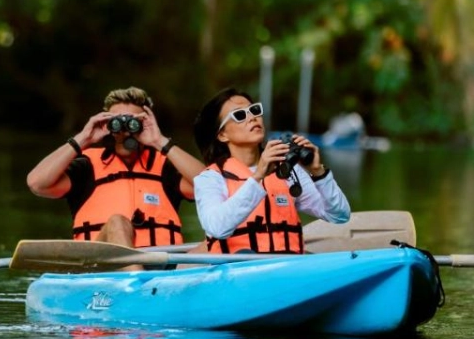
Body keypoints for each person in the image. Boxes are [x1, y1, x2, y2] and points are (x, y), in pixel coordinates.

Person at [27, 87, 205, 247]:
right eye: (117, 122)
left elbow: (211, 186)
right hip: (102, 266)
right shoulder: (87, 167)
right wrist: (83, 138)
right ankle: (134, 278)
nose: (126, 130)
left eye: (134, 122)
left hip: (159, 263)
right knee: (117, 223)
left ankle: (136, 277)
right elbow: (37, 183)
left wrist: (160, 141)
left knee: (218, 240)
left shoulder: (165, 167)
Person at [191, 87, 350, 254]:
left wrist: (318, 172)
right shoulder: (210, 179)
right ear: (222, 135)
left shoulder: (288, 170)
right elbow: (217, 227)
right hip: (239, 271)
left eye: (254, 110)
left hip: (288, 268)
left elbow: (340, 215)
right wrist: (258, 176)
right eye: (239, 115)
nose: (252, 117)